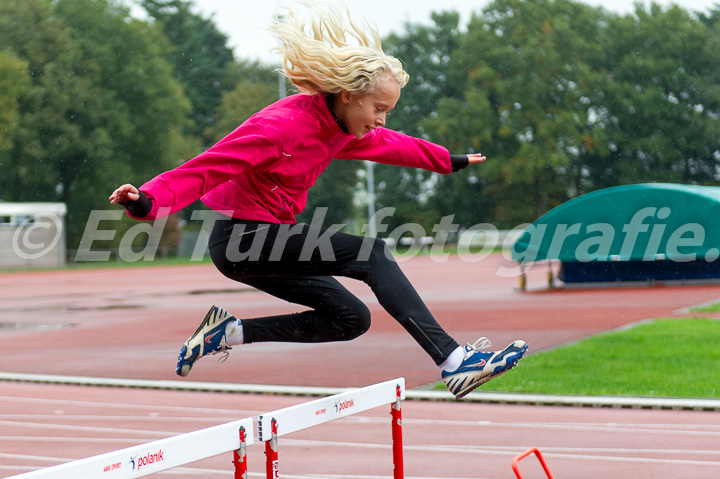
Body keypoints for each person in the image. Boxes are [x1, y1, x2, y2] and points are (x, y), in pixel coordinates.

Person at [109, 1, 527, 399]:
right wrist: (147, 200)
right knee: (373, 254)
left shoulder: (341, 129)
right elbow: (208, 168)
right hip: (242, 237)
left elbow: (388, 143)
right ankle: (454, 361)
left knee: (351, 319)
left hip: (270, 240)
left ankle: (227, 333)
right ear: (349, 94)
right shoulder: (280, 127)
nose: (382, 119)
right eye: (379, 107)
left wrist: (446, 160)